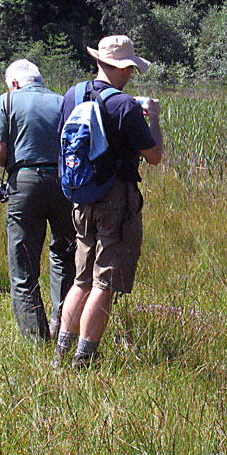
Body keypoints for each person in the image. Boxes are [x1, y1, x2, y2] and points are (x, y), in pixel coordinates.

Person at [53, 35, 163, 368]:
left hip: (81, 198)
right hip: (116, 199)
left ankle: (61, 353)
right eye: (131, 68)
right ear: (124, 67)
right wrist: (153, 118)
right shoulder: (125, 105)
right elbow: (154, 155)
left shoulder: (72, 95)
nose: (132, 74)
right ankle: (84, 360)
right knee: (105, 282)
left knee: (81, 279)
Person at [0, 59, 76, 343]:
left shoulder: (7, 101)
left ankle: (37, 340)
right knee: (65, 253)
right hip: (64, 183)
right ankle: (64, 326)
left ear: (14, 83)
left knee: (24, 265)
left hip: (25, 183)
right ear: (40, 79)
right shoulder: (63, 101)